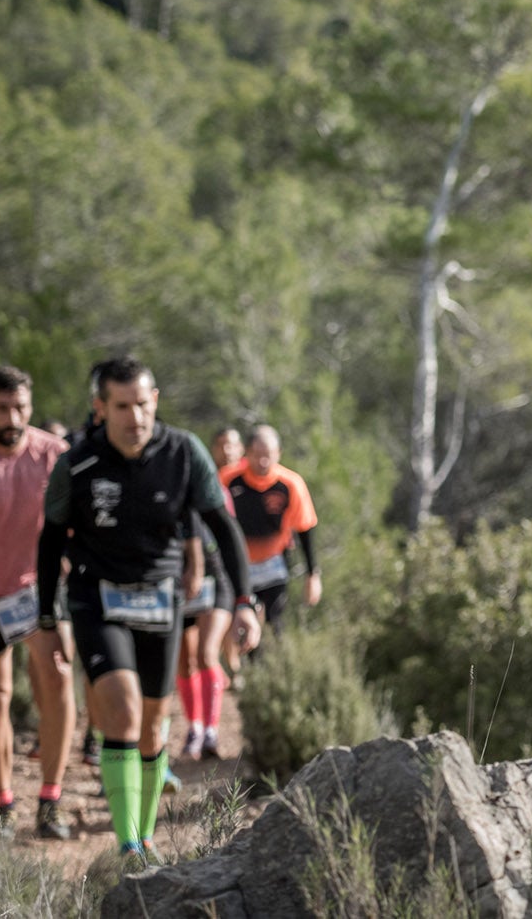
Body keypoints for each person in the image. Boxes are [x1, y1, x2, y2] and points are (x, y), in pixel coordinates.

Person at [38, 357, 260, 864]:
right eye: (121, 406)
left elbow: (223, 528)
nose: (135, 416)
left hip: (162, 598)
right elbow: (50, 543)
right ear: (101, 407)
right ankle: (128, 846)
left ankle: (146, 835)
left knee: (155, 722)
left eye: (142, 403)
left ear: (155, 399)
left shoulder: (184, 452)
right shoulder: (77, 464)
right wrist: (48, 620)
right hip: (97, 596)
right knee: (121, 707)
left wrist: (243, 602)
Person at [0, 367, 76, 839]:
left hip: (41, 591)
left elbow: (80, 524)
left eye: (21, 408)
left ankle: (50, 801)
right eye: (3, 408)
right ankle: (3, 803)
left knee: (59, 682)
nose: (13, 418)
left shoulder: (54, 456)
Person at [175, 428, 241, 760]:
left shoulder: (216, 492)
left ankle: (211, 731)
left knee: (205, 654)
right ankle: (194, 726)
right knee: (184, 661)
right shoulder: (166, 494)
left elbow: (230, 537)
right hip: (178, 581)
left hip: (217, 580)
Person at [221, 426, 321, 639]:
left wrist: (313, 575)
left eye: (268, 456)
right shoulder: (228, 479)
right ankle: (247, 668)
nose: (263, 462)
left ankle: (275, 666)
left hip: (274, 562)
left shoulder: (290, 483)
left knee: (274, 621)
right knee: (242, 624)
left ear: (279, 453)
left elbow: (305, 528)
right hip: (239, 565)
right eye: (257, 455)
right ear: (246, 453)